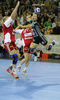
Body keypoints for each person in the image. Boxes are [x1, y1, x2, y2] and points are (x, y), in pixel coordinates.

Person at [3, 1, 20, 79]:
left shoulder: (10, 25)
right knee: (15, 56)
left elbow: (14, 16)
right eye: (8, 18)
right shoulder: (5, 23)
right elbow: (12, 15)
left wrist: (17, 8)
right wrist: (17, 5)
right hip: (8, 42)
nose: (9, 18)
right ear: (5, 20)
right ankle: (13, 71)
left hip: (12, 42)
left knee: (18, 56)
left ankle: (10, 68)